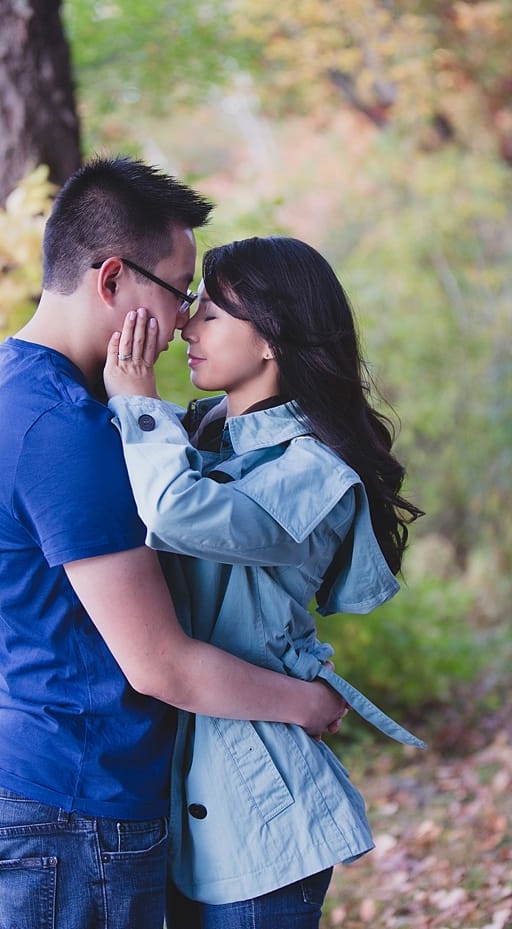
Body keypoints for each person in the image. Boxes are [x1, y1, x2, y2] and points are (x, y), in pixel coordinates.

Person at [0, 156, 349, 929]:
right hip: (74, 800)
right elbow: (160, 662)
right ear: (111, 280)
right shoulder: (62, 429)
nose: (183, 320)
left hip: (68, 789)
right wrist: (306, 701)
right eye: (178, 291)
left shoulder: (37, 388)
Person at [102, 235, 425, 929]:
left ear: (272, 338)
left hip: (263, 806)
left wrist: (136, 398)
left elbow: (173, 510)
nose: (187, 324)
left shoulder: (314, 471)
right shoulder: (209, 433)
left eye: (213, 313)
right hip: (191, 795)